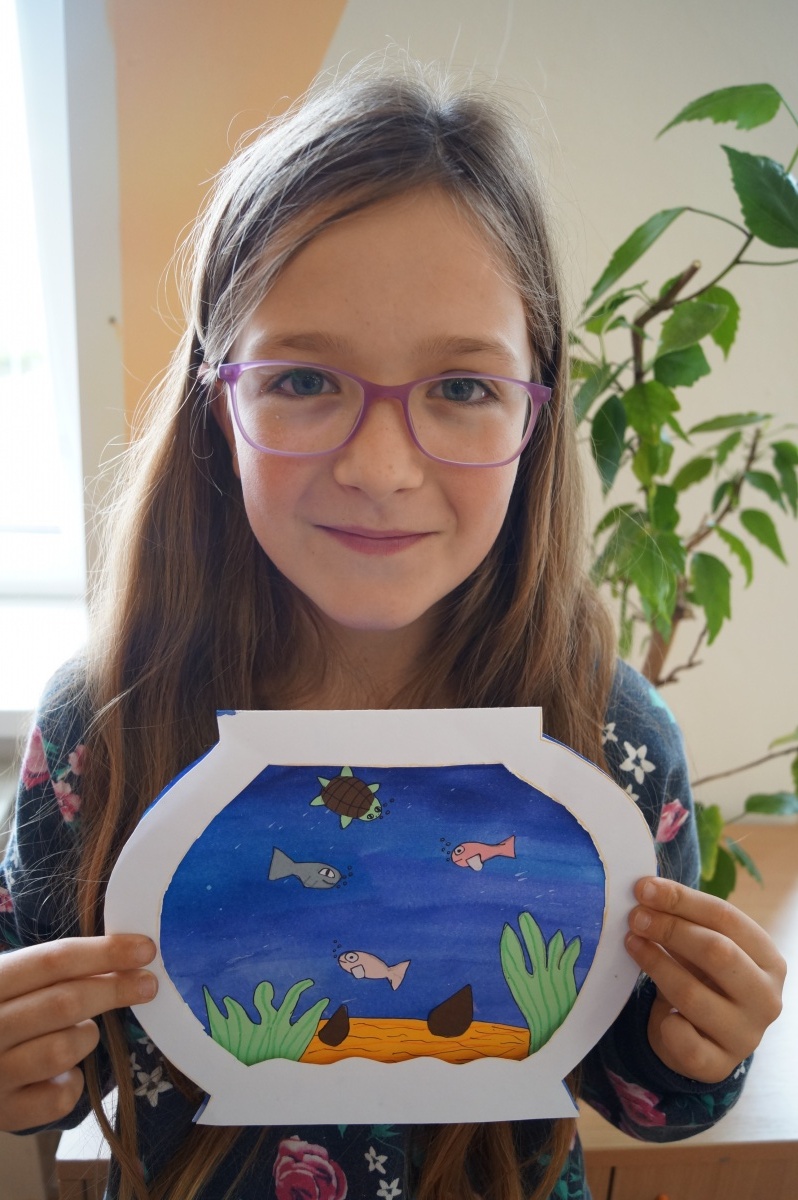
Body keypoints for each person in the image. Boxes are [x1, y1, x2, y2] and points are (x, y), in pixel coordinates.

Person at [0, 59, 785, 1200]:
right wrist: (26, 1061)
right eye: (304, 379)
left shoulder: (612, 738)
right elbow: (55, 1058)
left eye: (461, 388)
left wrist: (697, 1049)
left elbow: (635, 1087)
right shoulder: (101, 723)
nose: (379, 468)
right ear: (220, 403)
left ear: (535, 411)